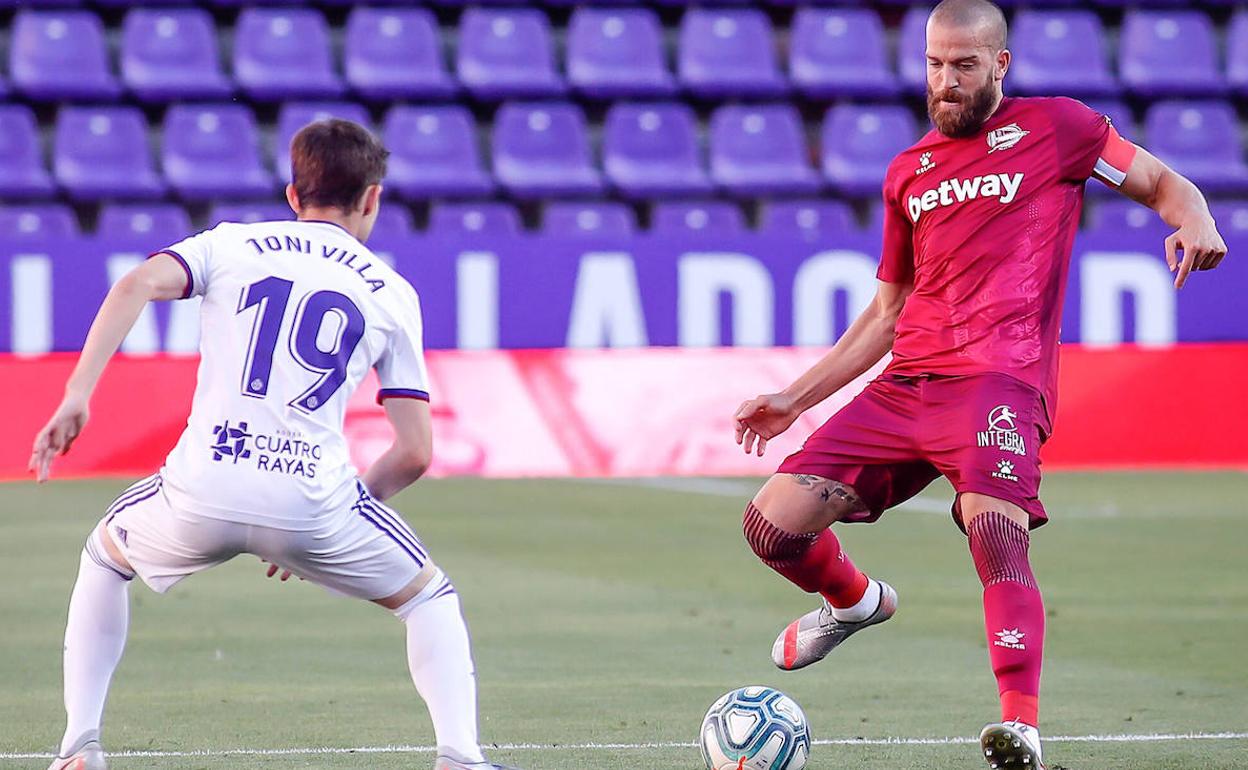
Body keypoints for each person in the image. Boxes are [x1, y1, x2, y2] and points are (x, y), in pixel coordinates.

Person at [732, 1, 1228, 768]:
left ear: (1000, 64)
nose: (946, 81)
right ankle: (857, 602)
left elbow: (1162, 181)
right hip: (907, 386)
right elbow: (888, 312)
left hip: (1000, 382)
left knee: (996, 534)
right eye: (934, 65)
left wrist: (1194, 217)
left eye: (964, 65)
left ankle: (1019, 726)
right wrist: (795, 398)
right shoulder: (909, 172)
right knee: (770, 528)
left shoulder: (1060, 130)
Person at [32, 119, 518, 770]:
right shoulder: (391, 292)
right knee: (429, 598)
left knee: (105, 558)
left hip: (204, 488)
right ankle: (459, 755)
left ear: (293, 194)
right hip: (312, 504)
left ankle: (80, 746)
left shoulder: (231, 245)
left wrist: (76, 395)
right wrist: (338, 514)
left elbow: (135, 285)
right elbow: (416, 452)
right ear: (372, 198)